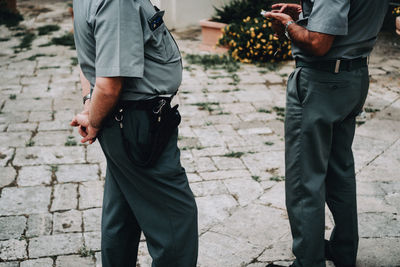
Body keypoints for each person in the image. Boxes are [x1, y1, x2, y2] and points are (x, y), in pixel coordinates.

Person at [70, 0, 198, 266]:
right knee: (175, 218)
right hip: (136, 123)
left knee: (122, 217)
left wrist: (90, 106)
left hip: (123, 121)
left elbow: (92, 62)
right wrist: (94, 117)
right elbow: (108, 85)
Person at [263, 1, 389, 266]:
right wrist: (308, 12)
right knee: (339, 171)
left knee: (304, 178)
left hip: (321, 83)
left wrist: (287, 25)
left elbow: (319, 43)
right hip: (354, 77)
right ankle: (343, 252)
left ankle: (308, 261)